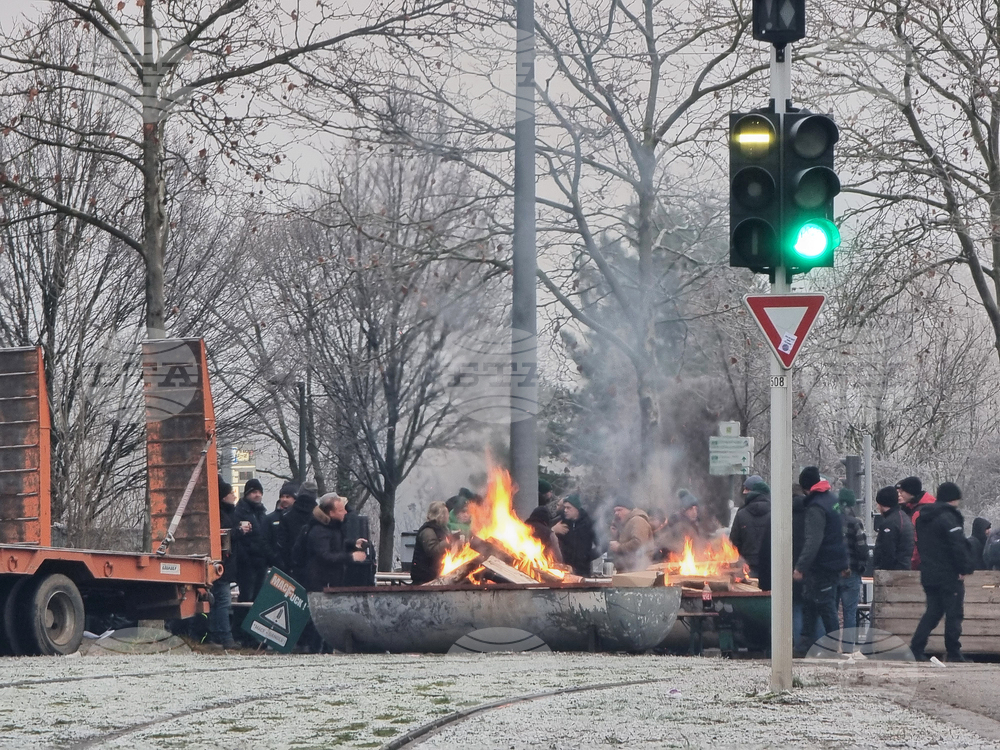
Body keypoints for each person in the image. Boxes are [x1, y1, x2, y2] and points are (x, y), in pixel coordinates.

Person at [910, 482, 975, 662]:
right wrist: (963, 568)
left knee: (933, 612)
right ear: (953, 499)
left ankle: (916, 648)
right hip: (949, 574)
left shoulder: (924, 517)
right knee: (954, 613)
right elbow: (957, 545)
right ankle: (953, 652)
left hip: (929, 573)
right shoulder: (948, 518)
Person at [793, 467, 849, 656]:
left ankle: (833, 647)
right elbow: (840, 534)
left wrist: (800, 566)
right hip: (834, 562)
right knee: (810, 602)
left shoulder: (816, 506)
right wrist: (844, 563)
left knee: (825, 605)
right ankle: (803, 646)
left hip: (822, 565)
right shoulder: (832, 500)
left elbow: (813, 540)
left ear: (805, 488)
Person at [303, 493, 368, 592]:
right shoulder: (320, 530)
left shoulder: (332, 526)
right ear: (331, 513)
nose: (346, 512)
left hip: (331, 580)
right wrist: (351, 557)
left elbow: (335, 544)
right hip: (321, 583)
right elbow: (324, 555)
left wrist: (353, 544)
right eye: (341, 510)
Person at [207, 477, 239, 648]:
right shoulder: (222, 515)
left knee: (218, 602)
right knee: (223, 602)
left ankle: (215, 637)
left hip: (223, 565)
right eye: (230, 493)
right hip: (221, 566)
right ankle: (225, 637)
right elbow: (223, 537)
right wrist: (238, 531)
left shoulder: (225, 514)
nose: (233, 496)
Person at [232, 478, 275, 602]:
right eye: (254, 492)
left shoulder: (262, 513)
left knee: (258, 598)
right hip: (247, 564)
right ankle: (242, 621)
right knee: (247, 598)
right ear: (247, 494)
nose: (257, 495)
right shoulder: (239, 512)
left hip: (261, 563)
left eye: (259, 492)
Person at [836, 488, 869, 635]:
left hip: (832, 572)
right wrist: (861, 566)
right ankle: (848, 648)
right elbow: (862, 548)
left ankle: (831, 646)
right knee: (850, 612)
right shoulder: (855, 523)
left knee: (831, 611)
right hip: (851, 572)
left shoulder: (829, 520)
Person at [730, 476, 771, 579]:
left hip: (747, 568)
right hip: (771, 567)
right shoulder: (775, 513)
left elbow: (733, 542)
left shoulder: (741, 514)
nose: (744, 492)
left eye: (747, 489)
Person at [278, 480, 319, 579]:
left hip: (293, 568)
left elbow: (282, 544)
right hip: (315, 567)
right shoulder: (319, 515)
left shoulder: (287, 515)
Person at [896, 476, 935, 570]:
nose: (899, 495)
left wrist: (911, 563)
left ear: (909, 492)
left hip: (921, 565)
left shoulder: (918, 512)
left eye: (902, 492)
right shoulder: (929, 506)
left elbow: (914, 540)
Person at [873, 486, 915, 571]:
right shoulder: (903, 517)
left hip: (893, 574)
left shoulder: (890, 523)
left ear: (882, 503)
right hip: (903, 569)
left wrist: (880, 568)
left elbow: (887, 551)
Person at [410, 502, 453, 584]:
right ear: (441, 515)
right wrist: (448, 541)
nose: (448, 516)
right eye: (446, 514)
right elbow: (432, 550)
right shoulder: (427, 531)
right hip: (424, 578)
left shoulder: (441, 529)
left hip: (433, 575)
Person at [558, 494, 597, 576]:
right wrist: (552, 530)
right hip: (563, 569)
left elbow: (602, 545)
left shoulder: (589, 523)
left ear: (577, 509)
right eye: (564, 507)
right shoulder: (560, 523)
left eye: (568, 508)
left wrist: (587, 557)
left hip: (583, 570)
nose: (565, 510)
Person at [609, 500, 653, 572]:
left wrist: (619, 547)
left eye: (620, 510)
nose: (616, 513)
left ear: (628, 510)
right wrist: (615, 535)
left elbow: (639, 543)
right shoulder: (625, 524)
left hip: (638, 570)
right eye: (615, 511)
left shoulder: (637, 520)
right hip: (628, 570)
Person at [265, 481, 297, 569]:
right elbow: (266, 542)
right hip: (276, 565)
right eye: (282, 496)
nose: (284, 499)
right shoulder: (270, 518)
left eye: (288, 497)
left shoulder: (298, 517)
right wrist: (274, 558)